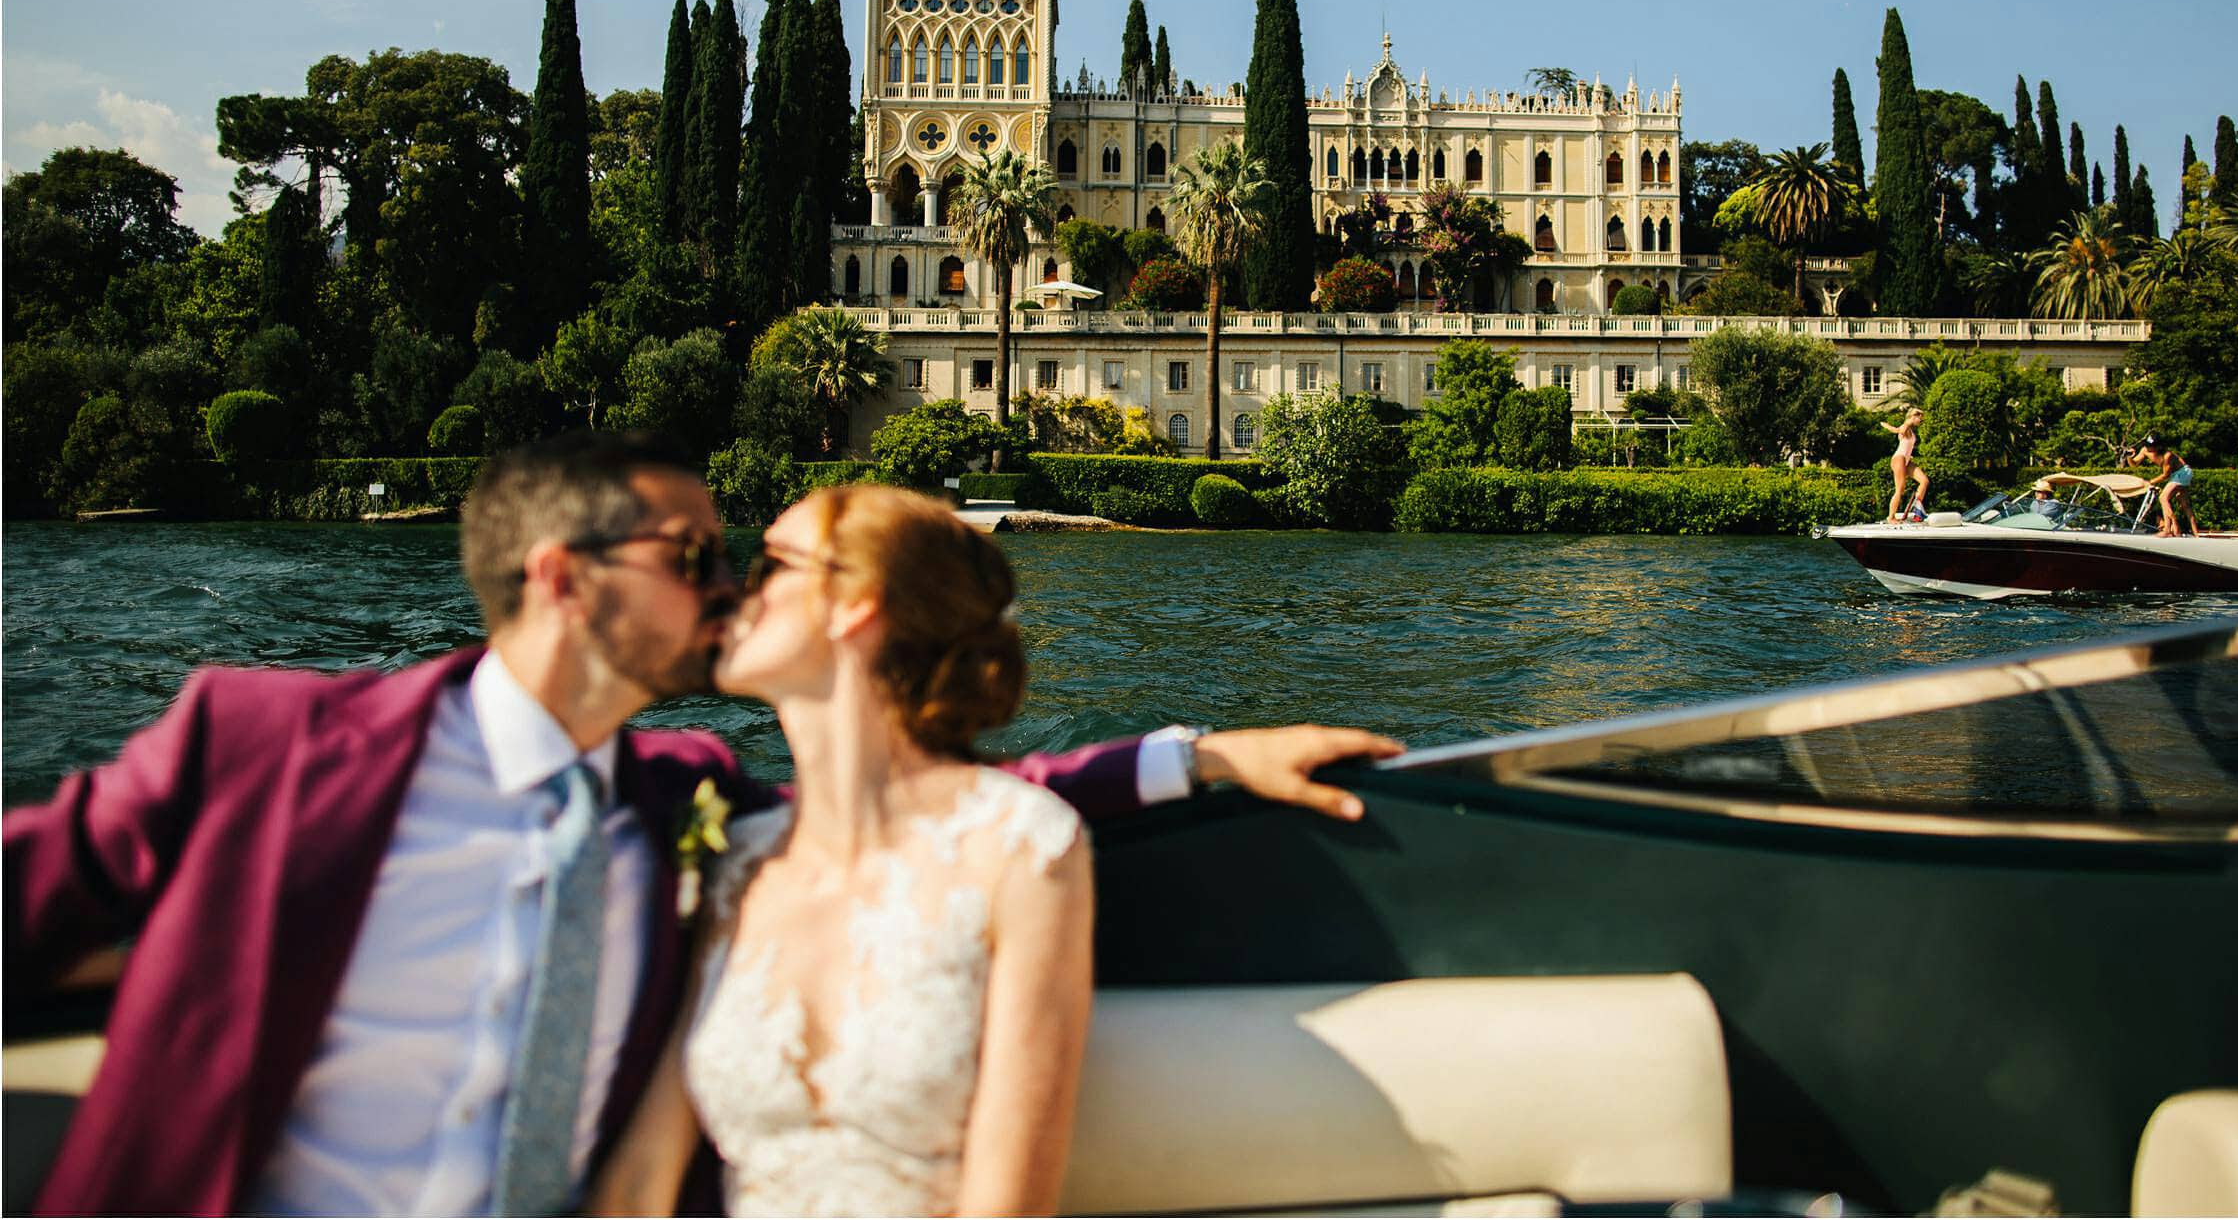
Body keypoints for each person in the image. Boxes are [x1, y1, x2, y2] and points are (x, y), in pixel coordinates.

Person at [2, 432, 1400, 1217]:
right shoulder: (264, 747)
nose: (729, 592)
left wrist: (1194, 753)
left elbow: (931, 814)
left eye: (747, 561)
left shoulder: (687, 811)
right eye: (697, 561)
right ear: (564, 580)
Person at [592, 485, 1089, 1215]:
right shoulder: (739, 865)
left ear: (855, 603)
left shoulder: (1021, 850)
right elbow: (639, 1184)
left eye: (770, 565)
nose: (733, 590)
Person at [2134, 434, 2197, 537]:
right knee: (2185, 504)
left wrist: (2150, 482)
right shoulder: (2145, 450)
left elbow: (2165, 475)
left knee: (2163, 498)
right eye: (2147, 445)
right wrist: (2129, 456)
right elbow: (2134, 464)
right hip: (2180, 474)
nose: (2148, 448)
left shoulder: (2167, 455)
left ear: (2159, 446)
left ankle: (2169, 528)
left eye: (2151, 446)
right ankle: (2196, 533)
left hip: (2182, 473)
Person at [1882, 407, 1929, 523]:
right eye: (1919, 418)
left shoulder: (1911, 430)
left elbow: (1906, 444)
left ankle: (1917, 508)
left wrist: (1909, 455)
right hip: (1899, 458)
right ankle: (1891, 517)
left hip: (1906, 459)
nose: (1920, 421)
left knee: (1924, 481)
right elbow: (1899, 430)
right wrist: (1887, 426)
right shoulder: (1906, 425)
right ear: (1914, 416)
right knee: (1900, 489)